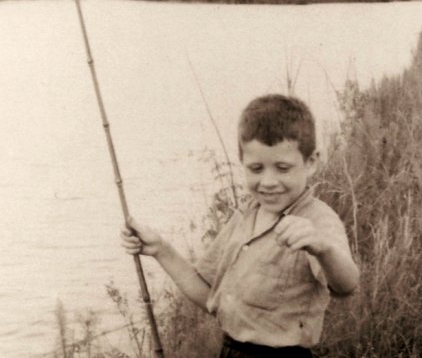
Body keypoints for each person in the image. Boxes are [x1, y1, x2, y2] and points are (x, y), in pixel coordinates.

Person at [121, 94, 359, 357]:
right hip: (231, 350)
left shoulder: (317, 221)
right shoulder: (245, 215)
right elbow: (209, 297)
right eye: (256, 169)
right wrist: (160, 249)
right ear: (242, 163)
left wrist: (322, 249)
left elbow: (346, 285)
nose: (268, 181)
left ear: (311, 162)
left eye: (282, 168)